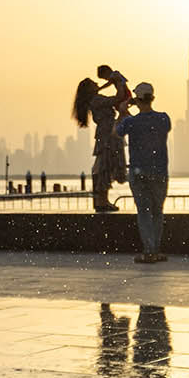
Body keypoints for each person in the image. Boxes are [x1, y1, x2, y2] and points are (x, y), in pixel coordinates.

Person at [116, 81, 172, 262]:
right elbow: (151, 123)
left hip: (138, 172)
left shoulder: (131, 121)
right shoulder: (164, 119)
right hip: (160, 172)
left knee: (144, 212)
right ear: (152, 98)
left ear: (137, 100)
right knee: (157, 211)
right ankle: (155, 249)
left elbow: (116, 132)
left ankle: (148, 251)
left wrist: (123, 111)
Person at [72, 75, 126, 212]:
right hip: (108, 133)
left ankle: (102, 200)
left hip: (107, 132)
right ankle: (102, 201)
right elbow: (118, 98)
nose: (97, 83)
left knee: (106, 165)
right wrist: (119, 82)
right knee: (105, 165)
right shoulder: (97, 100)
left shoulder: (96, 99)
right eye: (94, 83)